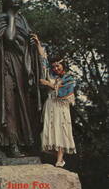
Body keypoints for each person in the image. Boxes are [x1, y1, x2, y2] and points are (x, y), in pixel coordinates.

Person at [0, 0, 41, 157]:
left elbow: (27, 43)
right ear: (5, 0)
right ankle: (11, 143)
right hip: (4, 66)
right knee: (6, 103)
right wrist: (10, 16)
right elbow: (9, 38)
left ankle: (23, 142)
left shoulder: (23, 21)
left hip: (22, 68)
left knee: (21, 105)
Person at [31, 34, 76, 167]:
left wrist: (48, 84)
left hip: (61, 106)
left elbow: (64, 92)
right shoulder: (50, 75)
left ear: (63, 65)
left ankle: (60, 158)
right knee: (51, 129)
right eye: (54, 66)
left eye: (58, 66)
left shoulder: (68, 78)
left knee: (60, 129)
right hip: (50, 105)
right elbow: (43, 59)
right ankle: (58, 157)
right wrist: (38, 44)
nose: (56, 68)